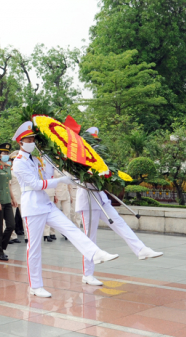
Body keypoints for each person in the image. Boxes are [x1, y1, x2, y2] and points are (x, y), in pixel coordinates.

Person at [12, 121, 119, 297]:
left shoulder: (37, 158)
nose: (32, 142)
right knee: (34, 248)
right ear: (20, 143)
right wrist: (60, 181)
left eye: (33, 138)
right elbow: (35, 184)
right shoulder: (18, 162)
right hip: (32, 207)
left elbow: (46, 176)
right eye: (28, 139)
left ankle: (95, 253)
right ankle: (35, 286)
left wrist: (50, 161)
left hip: (46, 204)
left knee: (70, 228)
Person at [75, 127, 163, 286]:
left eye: (97, 141)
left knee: (119, 222)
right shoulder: (77, 157)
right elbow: (75, 177)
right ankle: (87, 274)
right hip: (88, 200)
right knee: (89, 238)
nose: (96, 144)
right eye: (93, 141)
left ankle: (141, 250)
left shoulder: (100, 157)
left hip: (101, 197)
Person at [0, 143, 17, 261]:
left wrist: (13, 198)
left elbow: (9, 185)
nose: (6, 155)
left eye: (7, 153)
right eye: (3, 153)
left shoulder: (7, 168)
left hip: (7, 200)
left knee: (11, 225)